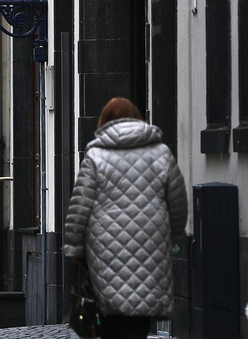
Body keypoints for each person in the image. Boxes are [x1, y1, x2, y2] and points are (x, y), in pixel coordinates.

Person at [63, 97, 188, 339]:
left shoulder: (96, 156)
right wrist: (174, 236)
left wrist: (75, 249)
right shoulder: (161, 153)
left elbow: (79, 207)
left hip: (105, 250)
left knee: (111, 319)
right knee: (139, 318)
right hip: (150, 247)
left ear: (105, 122)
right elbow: (177, 202)